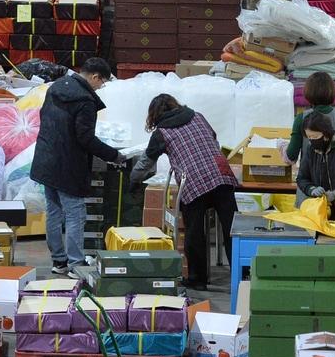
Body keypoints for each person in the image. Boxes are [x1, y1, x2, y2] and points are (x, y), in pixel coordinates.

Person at [137, 94, 238, 292]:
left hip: (193, 182)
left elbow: (145, 162)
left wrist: (133, 180)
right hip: (221, 174)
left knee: (194, 230)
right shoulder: (197, 116)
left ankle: (197, 279)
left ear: (154, 115)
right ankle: (241, 278)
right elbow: (213, 137)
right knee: (232, 229)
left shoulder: (162, 133)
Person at [31, 58, 122, 275]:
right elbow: (85, 139)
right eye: (103, 82)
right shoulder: (85, 101)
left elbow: (45, 118)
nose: (101, 87)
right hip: (68, 164)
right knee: (75, 214)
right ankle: (75, 264)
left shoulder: (56, 87)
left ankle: (59, 261)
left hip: (46, 157)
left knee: (53, 211)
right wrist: (114, 155)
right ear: (95, 77)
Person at [286, 73, 335, 162]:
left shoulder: (301, 118)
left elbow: (291, 155)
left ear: (307, 92)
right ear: (333, 91)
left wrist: (281, 145)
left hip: (309, 174)